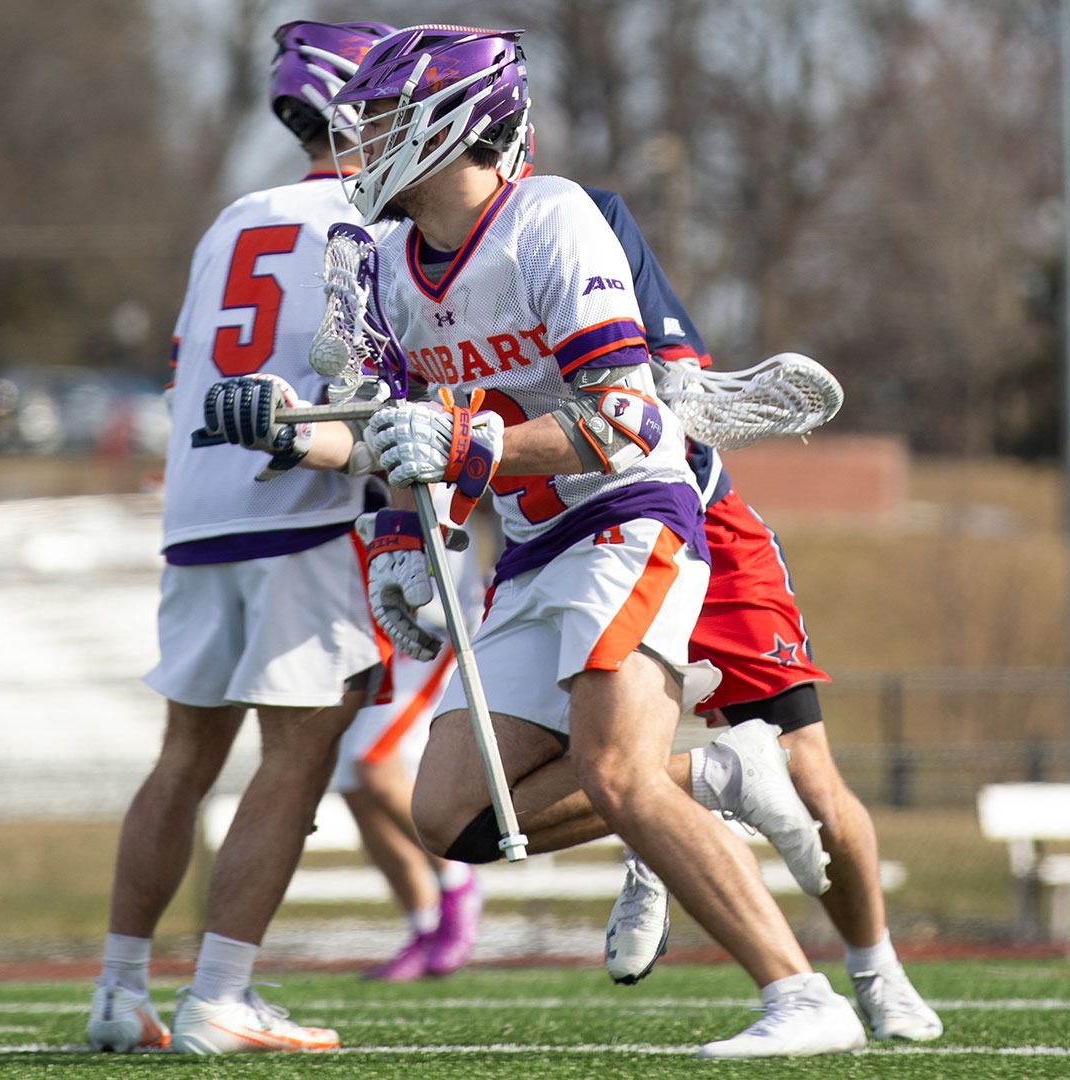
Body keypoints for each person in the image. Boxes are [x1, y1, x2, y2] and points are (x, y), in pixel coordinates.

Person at [209, 24, 867, 1059]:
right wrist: (297, 434)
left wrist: (465, 437)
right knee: (451, 818)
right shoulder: (380, 261)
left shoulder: (551, 221)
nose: (363, 137)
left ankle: (804, 999)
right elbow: (388, 438)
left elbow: (630, 421)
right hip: (529, 544)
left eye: (381, 117)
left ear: (447, 122)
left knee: (616, 770)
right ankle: (724, 776)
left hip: (629, 518)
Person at [83, 19, 396, 1056]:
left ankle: (118, 993)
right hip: (300, 504)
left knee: (184, 756)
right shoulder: (378, 219)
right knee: (298, 757)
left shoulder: (233, 219)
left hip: (199, 504)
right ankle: (220, 993)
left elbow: (188, 375)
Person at [576, 183, 942, 1042]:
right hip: (571, 544)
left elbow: (682, 384)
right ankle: (653, 843)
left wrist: (678, 393)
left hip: (695, 520)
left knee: (811, 780)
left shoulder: (581, 221)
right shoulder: (411, 271)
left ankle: (877, 967)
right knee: (572, 759)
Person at [332, 488, 485, 982]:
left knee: (370, 763)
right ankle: (422, 924)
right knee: (350, 779)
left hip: (436, 622)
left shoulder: (443, 413)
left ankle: (457, 883)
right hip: (372, 618)